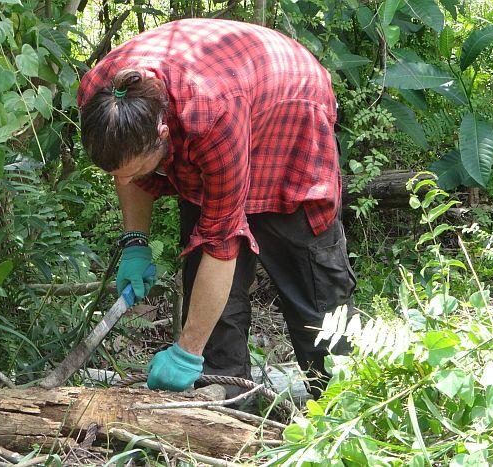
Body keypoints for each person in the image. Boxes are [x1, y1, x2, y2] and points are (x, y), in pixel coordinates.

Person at [77, 18, 356, 399]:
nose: (124, 183)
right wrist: (135, 240)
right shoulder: (102, 95)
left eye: (140, 170)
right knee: (210, 300)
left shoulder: (209, 116)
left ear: (163, 136)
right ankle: (224, 400)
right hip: (234, 98)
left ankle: (344, 400)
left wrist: (185, 354)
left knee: (315, 292)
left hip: (290, 115)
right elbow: (126, 170)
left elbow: (220, 245)